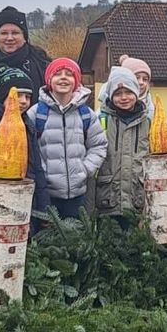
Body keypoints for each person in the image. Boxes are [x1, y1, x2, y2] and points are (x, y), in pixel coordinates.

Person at [29, 57, 106, 218]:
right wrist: (42, 174)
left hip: (78, 194)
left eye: (69, 74)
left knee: (75, 238)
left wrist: (84, 169)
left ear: (76, 81)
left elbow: (98, 145)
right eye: (58, 74)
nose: (63, 78)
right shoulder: (36, 114)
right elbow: (28, 150)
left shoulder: (86, 114)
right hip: (45, 194)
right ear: (49, 80)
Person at [0, 69, 49, 219]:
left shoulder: (28, 125)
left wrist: (44, 207)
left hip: (24, 196)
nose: (23, 101)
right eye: (18, 95)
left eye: (27, 97)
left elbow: (36, 168)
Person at [92, 65, 150, 221]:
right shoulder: (100, 120)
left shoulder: (148, 123)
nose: (124, 98)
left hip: (138, 200)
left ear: (136, 94)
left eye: (128, 92)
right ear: (110, 96)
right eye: (118, 94)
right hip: (108, 199)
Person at [0, 7, 50, 96]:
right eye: (4, 33)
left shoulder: (41, 62)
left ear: (24, 37)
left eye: (15, 33)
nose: (9, 38)